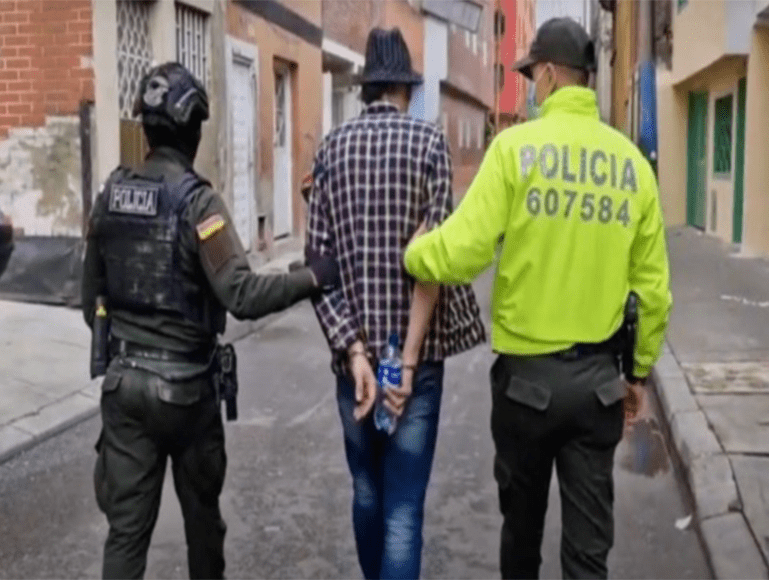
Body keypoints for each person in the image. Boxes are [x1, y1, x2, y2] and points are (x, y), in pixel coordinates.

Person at [404, 18, 673, 580]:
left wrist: (414, 255)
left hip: (525, 389)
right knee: (587, 551)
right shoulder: (631, 167)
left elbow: (462, 252)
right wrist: (638, 375)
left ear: (549, 75)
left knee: (521, 535)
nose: (530, 87)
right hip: (598, 384)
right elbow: (653, 293)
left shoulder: (513, 151)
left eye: (532, 77)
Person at [82, 62, 338, 580]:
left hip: (123, 384)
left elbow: (91, 301)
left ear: (147, 130)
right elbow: (240, 293)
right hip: (185, 393)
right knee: (203, 524)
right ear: (193, 131)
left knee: (126, 535)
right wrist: (311, 276)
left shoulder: (110, 196)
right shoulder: (198, 204)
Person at [306, 28, 486, 580]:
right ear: (405, 88)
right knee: (403, 511)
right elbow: (431, 263)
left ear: (367, 89)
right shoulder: (429, 144)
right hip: (417, 358)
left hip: (353, 363)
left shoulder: (330, 151)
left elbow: (318, 269)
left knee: (366, 492)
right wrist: (405, 361)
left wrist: (357, 354)